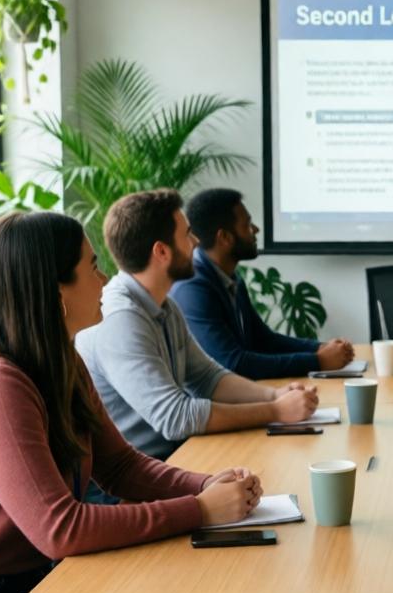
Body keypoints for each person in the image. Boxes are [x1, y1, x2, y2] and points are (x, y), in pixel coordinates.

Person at [0, 212, 261, 593]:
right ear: (57, 292)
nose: (105, 278)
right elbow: (60, 530)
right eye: (92, 267)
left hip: (26, 583)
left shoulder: (60, 362)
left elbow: (121, 467)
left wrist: (205, 484)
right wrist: (200, 510)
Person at [76, 190, 319, 462]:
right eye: (187, 234)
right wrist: (275, 411)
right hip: (134, 482)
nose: (195, 243)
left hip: (173, 459)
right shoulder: (121, 318)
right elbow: (175, 418)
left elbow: (207, 379)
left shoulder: (165, 306)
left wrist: (274, 395)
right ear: (161, 251)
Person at [171, 188, 354, 380]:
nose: (255, 230)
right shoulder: (192, 289)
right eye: (247, 225)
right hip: (212, 406)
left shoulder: (230, 276)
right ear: (224, 237)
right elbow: (233, 364)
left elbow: (263, 340)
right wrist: (318, 361)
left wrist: (321, 348)